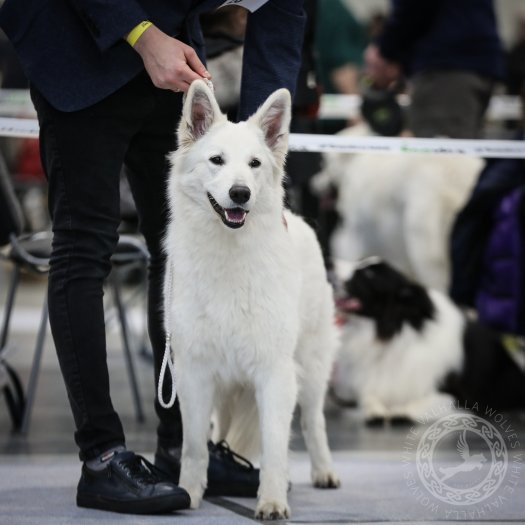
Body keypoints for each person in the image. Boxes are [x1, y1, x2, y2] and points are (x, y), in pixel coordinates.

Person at [0, 0, 306, 515]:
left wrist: (259, 163)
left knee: (178, 243)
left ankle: (181, 446)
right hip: (78, 42)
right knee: (83, 245)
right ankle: (101, 455)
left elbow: (278, 23)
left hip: (171, 59)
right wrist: (142, 36)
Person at [364, 0, 505, 138]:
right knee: (460, 154)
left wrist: (385, 50)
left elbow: (414, 6)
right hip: (471, 63)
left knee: (438, 158)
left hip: (446, 70)